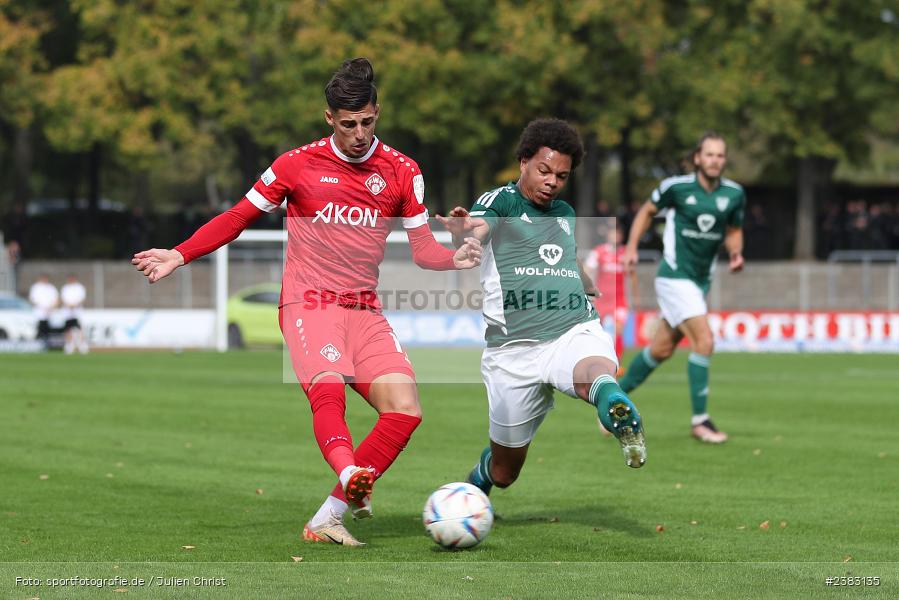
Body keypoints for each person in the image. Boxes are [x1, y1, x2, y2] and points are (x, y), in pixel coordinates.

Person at [132, 58, 482, 546]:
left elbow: (423, 250)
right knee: (329, 388)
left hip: (364, 310)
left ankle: (328, 517)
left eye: (367, 122)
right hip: (309, 303)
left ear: (376, 112)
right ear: (329, 119)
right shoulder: (296, 165)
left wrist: (455, 259)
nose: (359, 134)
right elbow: (237, 217)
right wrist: (179, 253)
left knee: (405, 409)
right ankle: (351, 475)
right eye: (348, 124)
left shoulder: (403, 171)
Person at [438, 118, 647, 500]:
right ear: (523, 162)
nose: (552, 181)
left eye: (562, 176)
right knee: (505, 471)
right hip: (513, 352)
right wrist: (464, 229)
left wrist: (584, 281)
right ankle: (474, 489)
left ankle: (612, 400)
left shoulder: (564, 213)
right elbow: (479, 225)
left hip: (570, 327)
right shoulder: (501, 200)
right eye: (544, 170)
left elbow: (566, 256)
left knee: (595, 368)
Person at [619, 131, 745, 443]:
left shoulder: (733, 194)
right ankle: (700, 421)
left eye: (720, 155)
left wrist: (735, 252)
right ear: (698, 158)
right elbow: (646, 211)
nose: (715, 160)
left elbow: (733, 229)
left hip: (701, 280)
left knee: (661, 349)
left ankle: (613, 401)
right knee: (704, 341)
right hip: (674, 276)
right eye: (710, 154)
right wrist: (632, 247)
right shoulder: (676, 188)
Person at [583, 222, 637, 363]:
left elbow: (632, 275)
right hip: (602, 299)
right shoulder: (599, 252)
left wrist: (635, 297)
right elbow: (588, 269)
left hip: (619, 299)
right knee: (595, 330)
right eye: (613, 233)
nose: (615, 236)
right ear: (608, 235)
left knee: (619, 329)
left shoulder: (626, 253)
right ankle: (594, 360)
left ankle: (616, 363)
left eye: (618, 234)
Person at [60, 274, 89, 354]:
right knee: (68, 328)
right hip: (67, 312)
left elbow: (82, 298)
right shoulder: (65, 288)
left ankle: (82, 345)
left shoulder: (79, 287)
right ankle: (69, 345)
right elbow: (62, 298)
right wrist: (69, 305)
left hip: (77, 311)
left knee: (79, 328)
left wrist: (74, 305)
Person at [28, 274, 58, 344]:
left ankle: (47, 343)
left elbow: (56, 300)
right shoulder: (36, 287)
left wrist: (50, 308)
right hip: (38, 313)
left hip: (49, 313)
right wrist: (42, 307)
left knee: (47, 329)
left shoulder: (51, 288)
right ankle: (37, 342)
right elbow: (32, 299)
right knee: (39, 328)